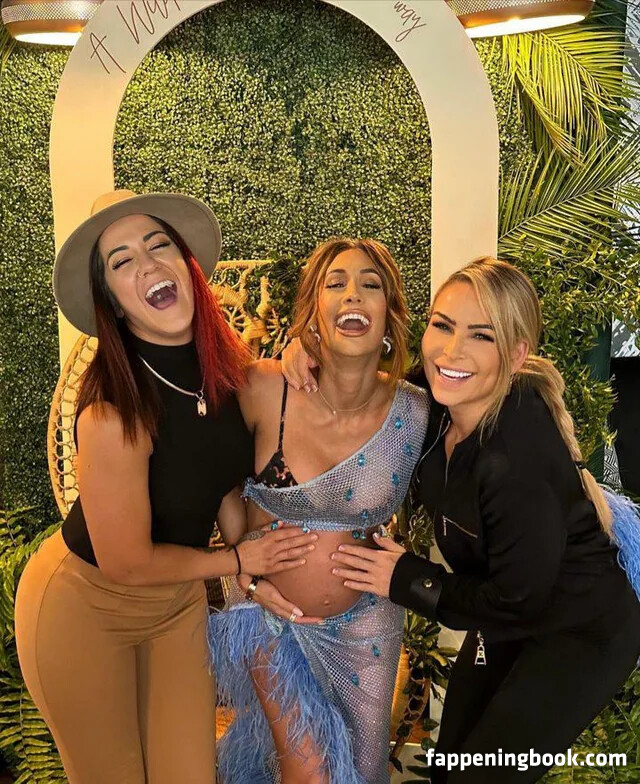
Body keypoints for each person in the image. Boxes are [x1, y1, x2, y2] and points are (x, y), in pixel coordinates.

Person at [14, 190, 314, 784]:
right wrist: (237, 560)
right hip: (85, 608)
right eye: (122, 260)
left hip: (175, 603)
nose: (148, 264)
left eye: (159, 245)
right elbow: (126, 562)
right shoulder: (110, 413)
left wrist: (307, 345)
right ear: (112, 301)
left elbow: (224, 487)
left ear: (186, 265)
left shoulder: (228, 373)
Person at [319, 257, 640, 783]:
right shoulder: (440, 399)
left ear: (515, 355)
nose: (451, 351)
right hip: (504, 614)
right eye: (442, 325)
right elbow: (361, 387)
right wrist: (305, 355)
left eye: (481, 336)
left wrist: (408, 579)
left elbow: (519, 599)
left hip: (577, 631)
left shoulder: (514, 459)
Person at [208, 238, 430, 784]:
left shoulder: (417, 409)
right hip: (268, 617)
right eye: (336, 283)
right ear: (314, 311)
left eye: (370, 284)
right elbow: (211, 478)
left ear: (390, 317)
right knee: (310, 771)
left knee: (362, 771)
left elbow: (491, 435)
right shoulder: (264, 387)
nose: (353, 293)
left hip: (369, 628)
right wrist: (244, 571)